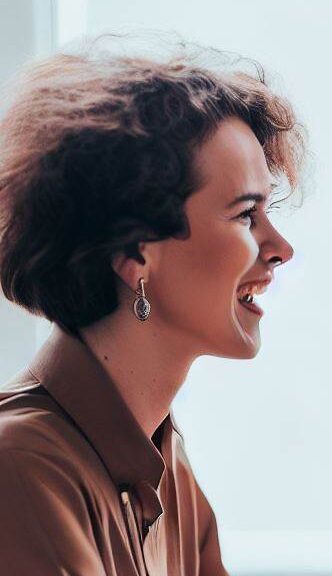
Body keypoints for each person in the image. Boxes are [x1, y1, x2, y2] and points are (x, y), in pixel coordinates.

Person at [0, 39, 304, 574]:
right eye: (244, 215)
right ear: (134, 252)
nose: (280, 247)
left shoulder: (165, 462)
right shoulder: (20, 470)